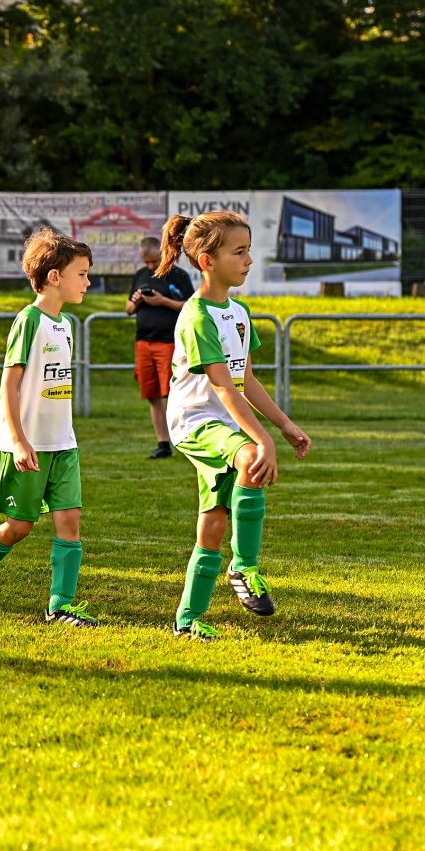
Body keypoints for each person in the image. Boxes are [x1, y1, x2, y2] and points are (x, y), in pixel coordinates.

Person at [158, 212, 313, 641]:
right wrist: (260, 439)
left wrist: (282, 424)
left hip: (226, 420)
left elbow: (245, 378)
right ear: (207, 260)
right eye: (238, 252)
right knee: (251, 459)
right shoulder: (196, 316)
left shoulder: (238, 312)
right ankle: (244, 567)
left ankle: (187, 619)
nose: (248, 260)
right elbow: (223, 387)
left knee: (215, 521)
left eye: (249, 250)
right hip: (195, 421)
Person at [0, 228, 98, 626]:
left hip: (63, 444)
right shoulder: (29, 320)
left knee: (70, 521)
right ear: (54, 277)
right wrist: (17, 440)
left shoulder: (66, 324)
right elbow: (10, 382)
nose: (88, 281)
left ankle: (60, 606)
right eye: (81, 274)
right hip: (28, 445)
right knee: (20, 527)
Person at [126, 235, 195, 458]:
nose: (150, 266)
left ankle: (187, 439)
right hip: (143, 342)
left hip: (169, 342)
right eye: (146, 262)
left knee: (174, 393)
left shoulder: (178, 275)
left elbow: (190, 305)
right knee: (152, 394)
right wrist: (136, 301)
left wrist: (163, 301)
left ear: (164, 254)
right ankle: (163, 444)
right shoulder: (140, 276)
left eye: (154, 261)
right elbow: (128, 309)